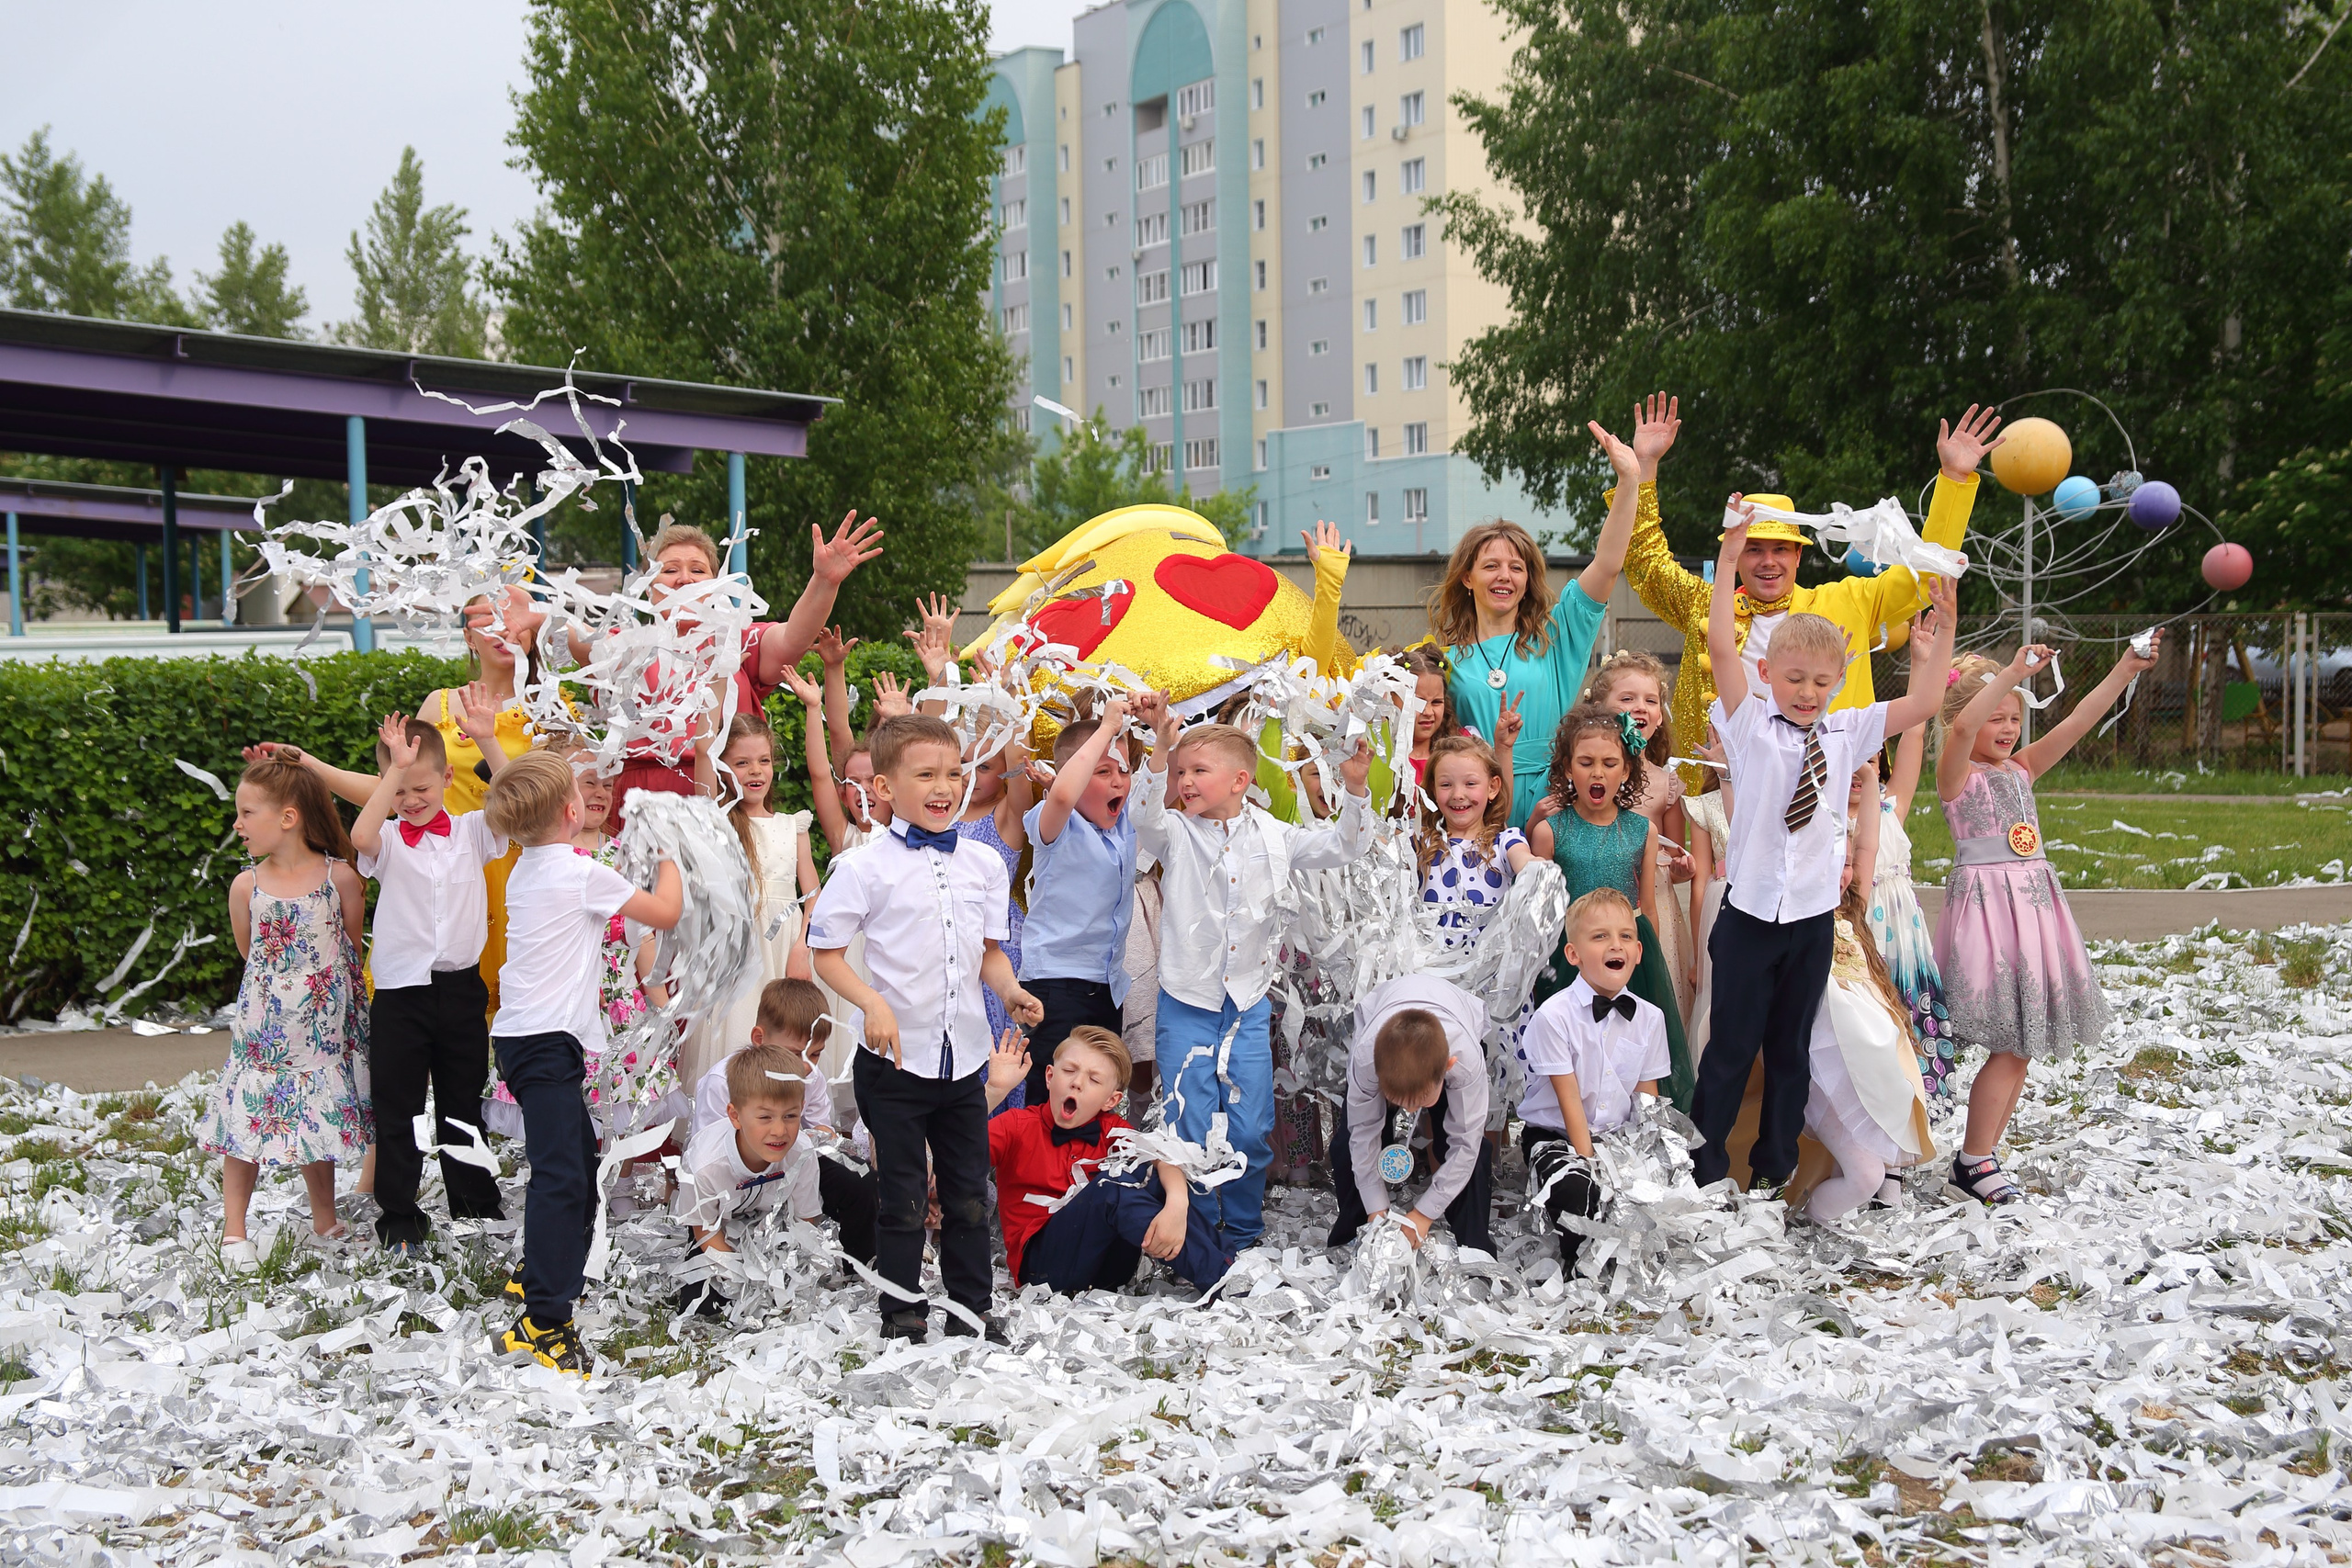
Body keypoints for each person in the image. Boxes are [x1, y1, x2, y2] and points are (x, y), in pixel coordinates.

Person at [1688, 508, 1953, 1195]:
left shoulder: (1846, 732)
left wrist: (1942, 630)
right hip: (1747, 921)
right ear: (1769, 674)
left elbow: (1923, 702)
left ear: (1837, 680)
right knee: (1728, 1051)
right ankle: (1706, 1170)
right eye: (1794, 677)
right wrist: (1729, 558)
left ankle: (1775, 1170)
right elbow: (1720, 646)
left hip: (1809, 922)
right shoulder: (1748, 725)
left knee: (1791, 1053)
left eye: (1820, 680)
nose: (1807, 692)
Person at [807, 714, 1045, 1343]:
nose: (944, 785)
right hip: (894, 1061)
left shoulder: (985, 863)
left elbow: (989, 952)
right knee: (904, 1191)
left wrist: (1012, 990)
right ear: (883, 786)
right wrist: (871, 1003)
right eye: (927, 774)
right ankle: (902, 1309)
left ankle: (971, 1305)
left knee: (968, 1188)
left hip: (962, 1058)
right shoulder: (864, 866)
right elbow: (825, 950)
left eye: (954, 773)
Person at [1622, 397, 2003, 790]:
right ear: (1735, 553)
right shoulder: (1707, 606)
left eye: (1780, 549)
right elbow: (1645, 563)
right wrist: (1645, 468)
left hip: (1829, 791)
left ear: (1799, 554)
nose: (1767, 561)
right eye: (1754, 548)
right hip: (1726, 793)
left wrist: (1954, 481)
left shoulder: (1845, 601)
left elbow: (1925, 579)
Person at [1130, 691, 1374, 1251]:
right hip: (1187, 1001)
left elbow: (1344, 847)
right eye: (1182, 771)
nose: (1186, 780)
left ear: (1240, 780)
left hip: (1246, 1002)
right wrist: (1160, 754)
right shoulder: (1175, 830)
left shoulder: (1274, 834)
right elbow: (1142, 815)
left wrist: (1356, 790)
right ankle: (1194, 1233)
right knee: (1190, 1117)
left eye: (1199, 770)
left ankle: (1240, 1233)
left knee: (1248, 1122)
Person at [1935, 632, 2160, 1203]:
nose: (2008, 729)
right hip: (1990, 913)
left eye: (2015, 719)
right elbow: (1962, 729)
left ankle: (1982, 1154)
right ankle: (1974, 1157)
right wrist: (2009, 675)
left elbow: (2080, 721)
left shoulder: (2022, 769)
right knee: (2009, 1037)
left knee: (2025, 1039)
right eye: (1997, 719)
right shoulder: (1957, 774)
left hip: (2033, 907)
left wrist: (2125, 669)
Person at [482, 750, 684, 1376]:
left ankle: (539, 1273)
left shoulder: (529, 865)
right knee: (562, 1176)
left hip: (534, 1042)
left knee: (578, 1162)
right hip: (543, 1044)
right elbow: (666, 913)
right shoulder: (579, 872)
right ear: (572, 811)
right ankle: (543, 1322)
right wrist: (673, 846)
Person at [485, 513, 884, 829]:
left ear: (717, 582)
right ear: (647, 584)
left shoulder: (737, 643)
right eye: (670, 569)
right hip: (641, 803)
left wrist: (823, 582)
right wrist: (538, 615)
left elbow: (794, 637)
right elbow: (581, 637)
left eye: (697, 570)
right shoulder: (626, 643)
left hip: (729, 800)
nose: (684, 578)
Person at [1427, 415, 1657, 827]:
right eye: (1491, 566)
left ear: (1528, 579)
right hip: (1479, 805)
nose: (1504, 576)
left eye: (1516, 567)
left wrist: (1628, 482)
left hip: (1556, 801)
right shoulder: (1445, 661)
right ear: (1467, 578)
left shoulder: (1556, 636)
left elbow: (1607, 565)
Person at [202, 757, 373, 1270]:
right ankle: (236, 1233)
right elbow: (248, 950)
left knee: (314, 1121)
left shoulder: (339, 878)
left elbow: (348, 947)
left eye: (246, 813)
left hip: (319, 1034)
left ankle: (325, 1218)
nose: (237, 824)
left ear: (288, 818)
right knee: (247, 1123)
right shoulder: (246, 886)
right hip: (263, 1035)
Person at [350, 707, 511, 1253]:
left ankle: (474, 1201)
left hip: (461, 989)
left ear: (446, 779)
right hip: (400, 994)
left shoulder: (471, 831)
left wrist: (487, 740)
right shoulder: (389, 841)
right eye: (399, 791)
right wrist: (393, 772)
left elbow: (520, 804)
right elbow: (361, 831)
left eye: (420, 787)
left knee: (462, 1100)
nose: (411, 801)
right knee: (397, 1105)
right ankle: (398, 1212)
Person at [982, 1025, 1233, 1293]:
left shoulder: (1111, 1128)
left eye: (1094, 1080)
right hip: (1043, 1269)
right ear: (1049, 1077)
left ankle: (1229, 1266)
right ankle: (1222, 1281)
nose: (1077, 1082)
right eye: (1069, 1071)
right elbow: (957, 1148)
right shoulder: (1016, 1126)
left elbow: (1161, 1159)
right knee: (1112, 1186)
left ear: (1110, 1100)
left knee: (1150, 1175)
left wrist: (1177, 1204)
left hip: (1108, 1267)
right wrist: (994, 1091)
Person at [1526, 706, 1691, 1109]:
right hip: (1570, 956)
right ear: (1568, 770)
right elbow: (1538, 911)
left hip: (1627, 954)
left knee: (1629, 1047)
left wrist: (1648, 961)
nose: (1597, 773)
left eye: (1609, 763)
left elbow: (1647, 906)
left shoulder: (1643, 831)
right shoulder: (1551, 832)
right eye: (1586, 763)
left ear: (1626, 770)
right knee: (1575, 1048)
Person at [1797, 781, 1934, 1225]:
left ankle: (1828, 1224)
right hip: (1823, 1073)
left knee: (1859, 1169)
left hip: (1867, 1072)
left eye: (1847, 865)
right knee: (1866, 1173)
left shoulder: (1851, 912)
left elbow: (1869, 842)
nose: (1841, 873)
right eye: (1829, 862)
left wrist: (1869, 772)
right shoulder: (1794, 921)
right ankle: (1811, 1224)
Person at [1515, 889, 1669, 1272]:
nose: (1615, 945)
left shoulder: (1651, 1018)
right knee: (1580, 1191)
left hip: (1618, 1137)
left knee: (1659, 1185)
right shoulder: (1555, 1016)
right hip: (1561, 1135)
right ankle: (1581, 1262)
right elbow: (1569, 1103)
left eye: (1626, 936)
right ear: (1574, 954)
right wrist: (1595, 1168)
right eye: (1600, 936)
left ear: (1637, 952)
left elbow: (1646, 1099)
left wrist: (1645, 1162)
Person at [691, 979, 878, 1267]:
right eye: (794, 1054)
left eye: (815, 1054)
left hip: (792, 1160)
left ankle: (861, 1266)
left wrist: (816, 1141)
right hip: (732, 1177)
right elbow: (707, 1150)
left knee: (860, 1181)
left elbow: (820, 1133)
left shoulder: (810, 1076)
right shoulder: (721, 1082)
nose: (805, 1065)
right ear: (759, 1038)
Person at [1016, 698, 1139, 1107]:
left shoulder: (1124, 825)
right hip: (1056, 985)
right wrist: (1105, 728)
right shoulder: (1054, 821)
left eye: (1123, 770)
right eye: (1103, 771)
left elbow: (1160, 785)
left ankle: (1084, 1171)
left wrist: (1158, 729)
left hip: (1107, 987)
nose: (1118, 781)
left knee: (1098, 1096)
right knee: (1050, 1095)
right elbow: (1065, 795)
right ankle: (1035, 1172)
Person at [1328, 975, 1495, 1254]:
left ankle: (1474, 1248)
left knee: (1471, 1153)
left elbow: (1466, 1143)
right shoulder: (1365, 1058)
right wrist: (1376, 1208)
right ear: (1377, 1076)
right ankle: (1353, 1238)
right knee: (1347, 1146)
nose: (1411, 1110)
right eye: (1398, 1100)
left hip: (1455, 1022)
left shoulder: (1466, 1060)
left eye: (1420, 1101)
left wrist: (1424, 1214)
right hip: (1381, 1029)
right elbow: (1363, 1132)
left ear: (1448, 1068)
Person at [691, 714, 817, 1086]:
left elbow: (813, 896)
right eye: (741, 763)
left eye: (763, 760)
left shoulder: (792, 825)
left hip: (782, 949)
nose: (754, 771)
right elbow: (701, 759)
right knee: (738, 1033)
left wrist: (801, 948)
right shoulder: (717, 821)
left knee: (784, 1037)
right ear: (723, 768)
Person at [1578, 651, 1696, 1021]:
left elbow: (1671, 854)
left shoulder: (1667, 783)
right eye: (1627, 698)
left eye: (1650, 700)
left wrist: (1680, 870)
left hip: (1652, 905)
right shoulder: (1581, 776)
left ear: (1660, 716)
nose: (1640, 707)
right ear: (1599, 708)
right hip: (1592, 894)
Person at [673, 1043, 814, 1318]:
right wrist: (744, 1277)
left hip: (773, 1229)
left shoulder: (802, 1153)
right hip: (717, 1230)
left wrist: (788, 1272)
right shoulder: (704, 1165)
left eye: (790, 1116)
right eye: (764, 1117)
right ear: (735, 1116)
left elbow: (806, 1222)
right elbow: (704, 1229)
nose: (779, 1130)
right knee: (703, 1308)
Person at [1864, 698, 1955, 1096]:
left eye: (1870, 762)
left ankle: (1917, 1090)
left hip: (1904, 938)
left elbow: (1914, 731)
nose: (1860, 773)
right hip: (1861, 934)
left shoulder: (1890, 807)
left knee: (1911, 1013)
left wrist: (1924, 663)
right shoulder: (1827, 817)